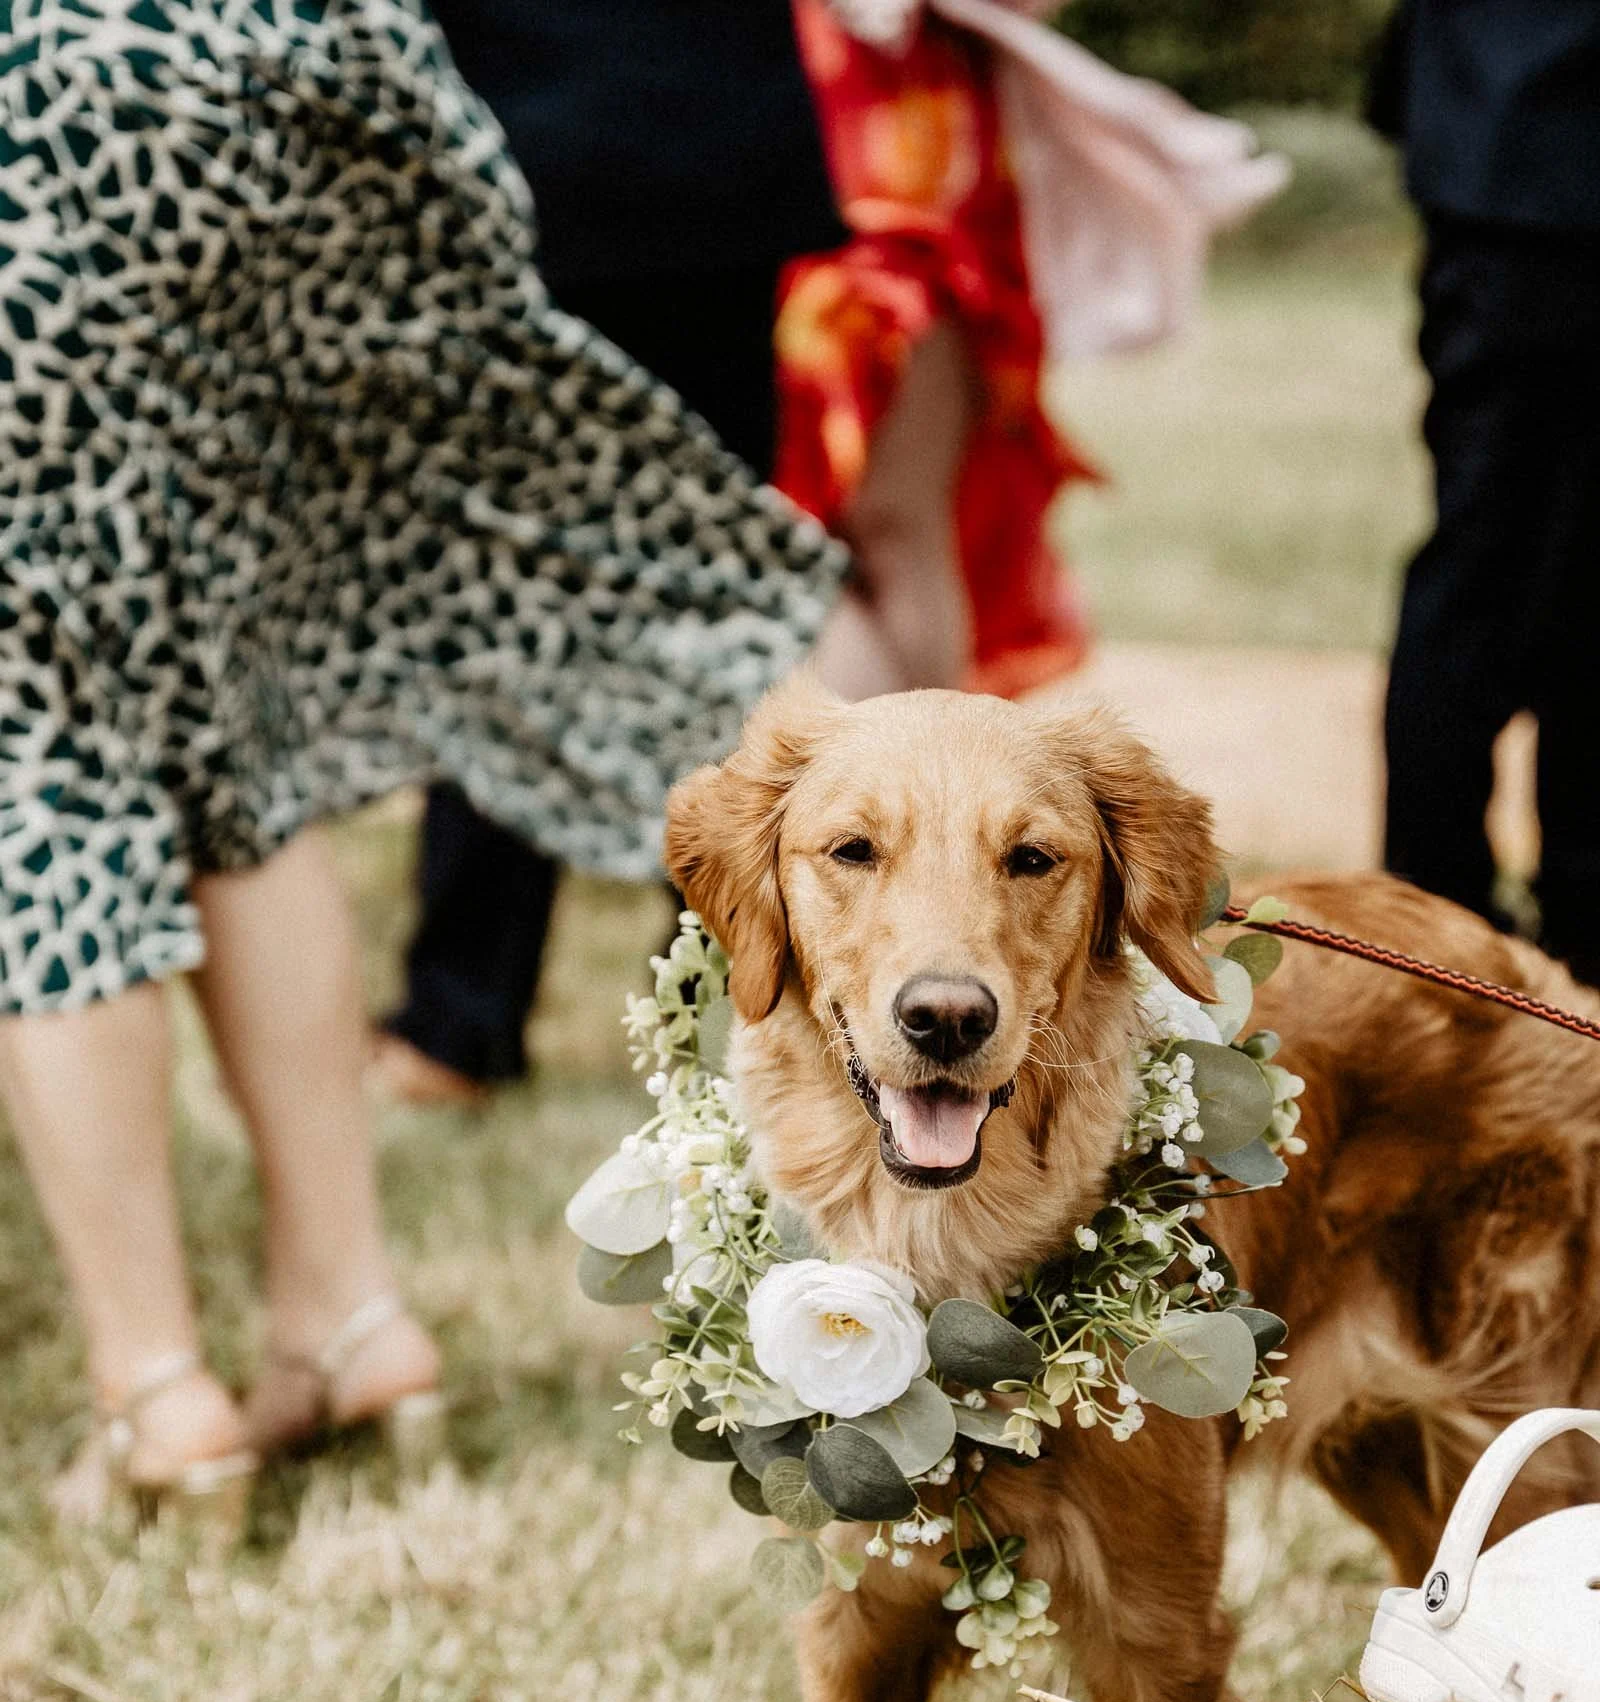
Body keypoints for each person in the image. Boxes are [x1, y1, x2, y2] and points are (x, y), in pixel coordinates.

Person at [0, 0, 839, 1526]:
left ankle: (157, 1392)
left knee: (45, 775)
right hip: (258, 100)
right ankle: (349, 1314)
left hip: (46, 115)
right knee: (242, 762)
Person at [372, 0, 845, 1106]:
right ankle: (745, 991)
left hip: (537, 148)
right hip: (698, 149)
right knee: (707, 602)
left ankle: (462, 1017)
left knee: (511, 606)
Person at [782, 0, 1286, 705]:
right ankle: (891, 791)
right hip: (763, 152)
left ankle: (920, 791)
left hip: (900, 179)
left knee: (891, 529)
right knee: (802, 535)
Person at [1374, 0, 1600, 986]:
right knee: (1492, 561)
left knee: (1554, 559)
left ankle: (1553, 912)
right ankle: (1438, 922)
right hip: (1540, 151)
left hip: (1515, 139)